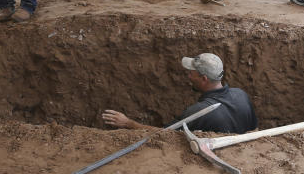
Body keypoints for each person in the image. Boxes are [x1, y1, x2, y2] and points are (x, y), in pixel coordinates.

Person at [102, 53, 257, 134]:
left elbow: (164, 134)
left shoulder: (199, 112)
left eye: (192, 73)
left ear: (204, 79)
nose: (188, 76)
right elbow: (253, 130)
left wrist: (128, 123)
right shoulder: (241, 94)